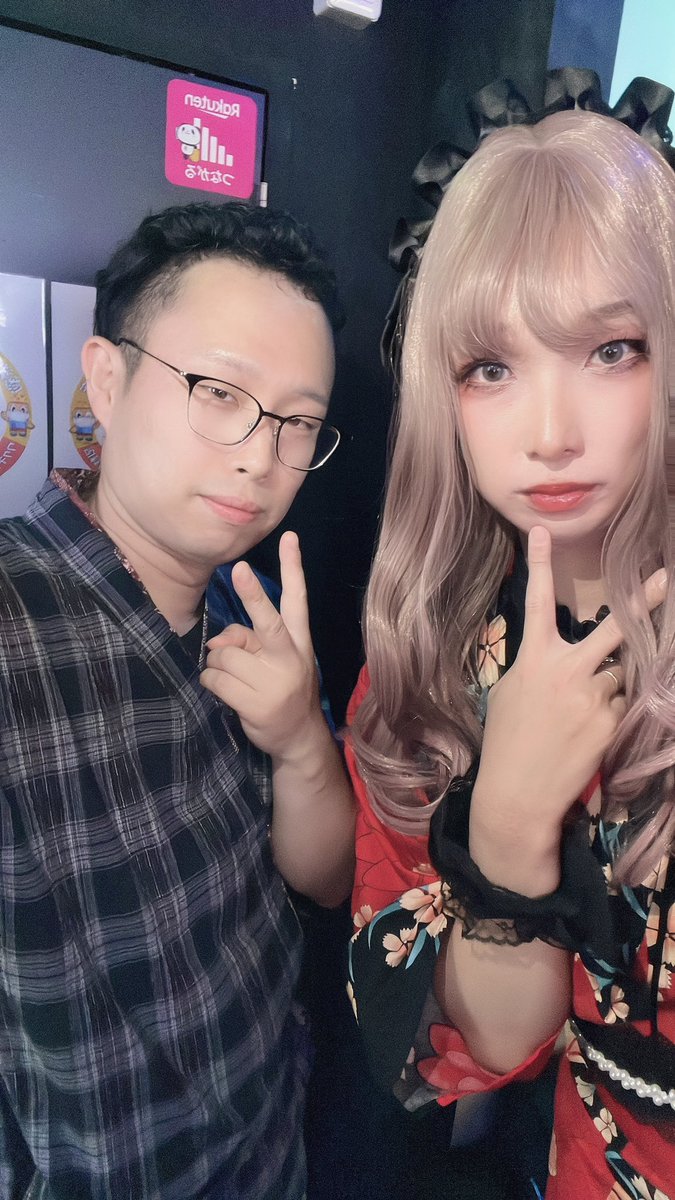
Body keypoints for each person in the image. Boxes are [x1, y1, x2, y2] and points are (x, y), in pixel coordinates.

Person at [346, 70, 675, 1199]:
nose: (548, 431)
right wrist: (511, 825)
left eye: (611, 350)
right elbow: (486, 1050)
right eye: (490, 367)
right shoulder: (429, 672)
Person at [0, 199, 355, 1199]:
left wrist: (300, 738)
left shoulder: (253, 609)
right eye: (218, 392)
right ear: (107, 382)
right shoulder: (16, 614)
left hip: (274, 1150)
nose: (260, 456)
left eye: (297, 423)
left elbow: (328, 882)